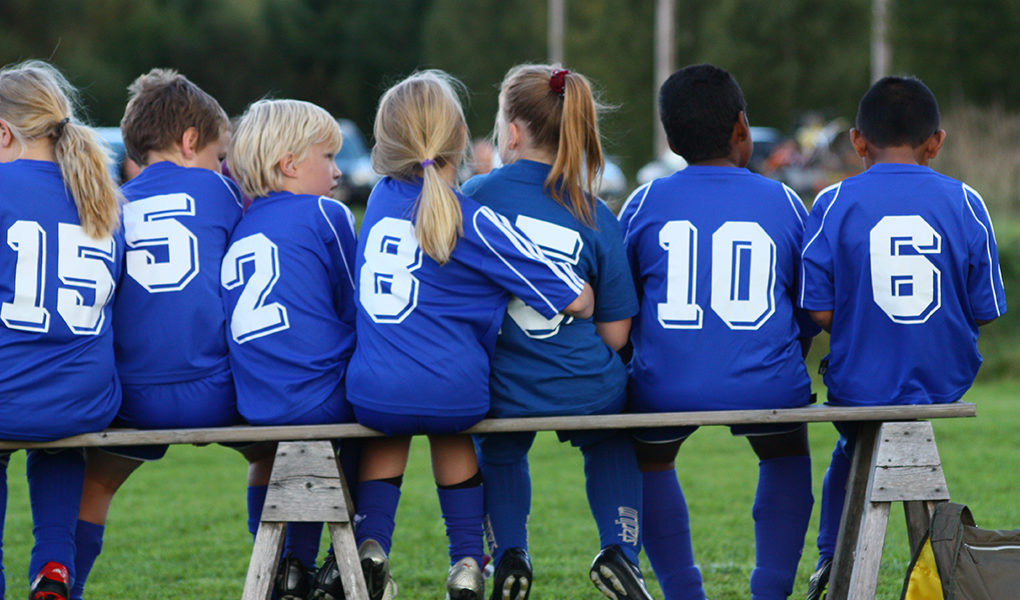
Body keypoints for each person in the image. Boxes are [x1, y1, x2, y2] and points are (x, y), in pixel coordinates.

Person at [346, 70, 594, 600]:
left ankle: (370, 546)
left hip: (371, 391)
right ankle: (464, 562)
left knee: (393, 427)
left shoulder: (378, 208)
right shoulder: (470, 218)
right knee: (450, 427)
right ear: (461, 140)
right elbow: (571, 295)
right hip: (454, 390)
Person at [68, 69, 278, 600]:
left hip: (134, 397)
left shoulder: (109, 203)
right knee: (273, 457)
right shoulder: (226, 194)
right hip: (218, 390)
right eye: (218, 153)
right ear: (190, 143)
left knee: (94, 485)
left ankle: (63, 584)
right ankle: (278, 579)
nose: (222, 164)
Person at [799, 75, 1006, 600]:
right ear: (936, 141)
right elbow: (987, 309)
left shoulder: (832, 201)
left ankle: (829, 555)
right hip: (946, 379)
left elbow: (818, 309)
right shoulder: (966, 201)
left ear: (857, 141)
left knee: (851, 446)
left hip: (862, 381)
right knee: (867, 438)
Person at [618, 64, 818, 600]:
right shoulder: (784, 202)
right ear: (742, 128)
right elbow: (807, 304)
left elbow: (623, 303)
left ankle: (684, 593)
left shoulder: (642, 202)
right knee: (784, 451)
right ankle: (770, 591)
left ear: (669, 137)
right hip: (766, 384)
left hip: (666, 386)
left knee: (651, 458)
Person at [463, 64, 650, 600]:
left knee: (499, 447)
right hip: (583, 382)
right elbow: (617, 335)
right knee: (610, 435)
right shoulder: (593, 211)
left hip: (502, 384)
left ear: (513, 132)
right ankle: (620, 549)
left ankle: (511, 552)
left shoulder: (475, 193)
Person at [223, 98, 360, 600]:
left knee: (287, 447)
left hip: (256, 402)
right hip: (319, 395)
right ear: (290, 164)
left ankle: (284, 566)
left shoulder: (241, 224)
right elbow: (356, 307)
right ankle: (346, 552)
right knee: (385, 403)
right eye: (328, 157)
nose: (337, 171)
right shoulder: (326, 212)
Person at [0, 59, 124, 600]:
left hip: (9, 396)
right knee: (55, 439)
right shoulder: (102, 194)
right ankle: (53, 563)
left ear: (2, 133)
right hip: (84, 399)